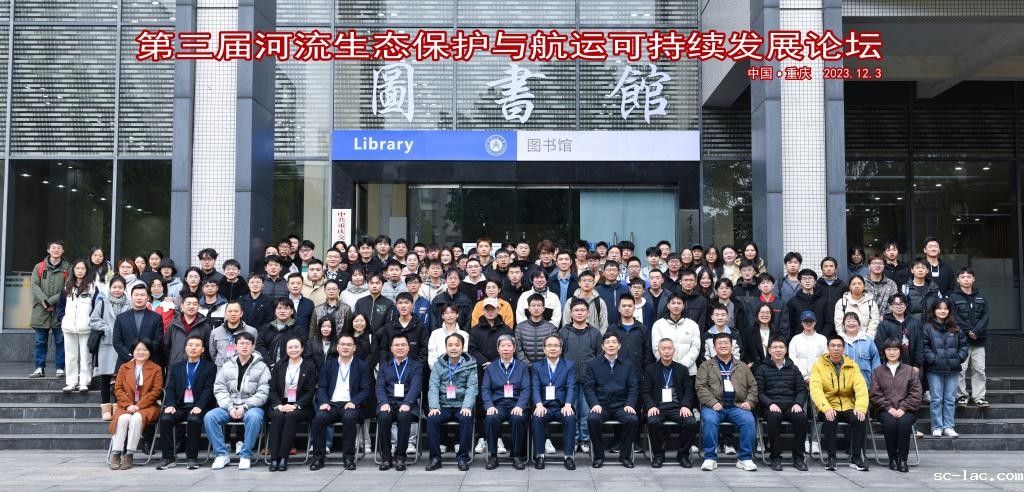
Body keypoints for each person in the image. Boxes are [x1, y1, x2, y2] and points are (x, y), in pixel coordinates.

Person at [204, 331, 270, 470]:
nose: (244, 346)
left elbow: (263, 392)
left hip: (251, 407)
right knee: (210, 417)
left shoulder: (262, 367)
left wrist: (245, 406)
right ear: (235, 346)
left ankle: (246, 455)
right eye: (241, 343)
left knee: (254, 417)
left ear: (253, 346)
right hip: (229, 406)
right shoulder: (227, 365)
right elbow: (219, 388)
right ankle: (221, 454)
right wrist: (229, 407)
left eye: (247, 344)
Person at [695, 333, 759, 472]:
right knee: (709, 420)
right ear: (714, 347)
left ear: (732, 346)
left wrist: (749, 401)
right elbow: (701, 387)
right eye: (720, 343)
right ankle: (710, 457)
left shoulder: (742, 366)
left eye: (726, 343)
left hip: (737, 406)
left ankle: (745, 458)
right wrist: (712, 402)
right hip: (714, 406)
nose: (723, 346)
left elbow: (753, 386)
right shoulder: (706, 366)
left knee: (748, 420)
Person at [309, 334, 373, 471]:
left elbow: (366, 390)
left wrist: (354, 402)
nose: (345, 347)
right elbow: (322, 387)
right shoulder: (329, 364)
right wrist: (324, 402)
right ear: (337, 347)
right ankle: (318, 457)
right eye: (342, 344)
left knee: (349, 418)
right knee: (319, 418)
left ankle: (348, 457)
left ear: (354, 348)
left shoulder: (362, 366)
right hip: (331, 404)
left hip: (351, 404)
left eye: (349, 345)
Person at [809, 334, 870, 471]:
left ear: (843, 349)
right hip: (828, 404)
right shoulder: (818, 365)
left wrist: (860, 407)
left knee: (860, 418)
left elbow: (861, 388)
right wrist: (825, 408)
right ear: (828, 348)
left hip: (848, 405)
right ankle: (831, 457)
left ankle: (855, 457)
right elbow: (816, 390)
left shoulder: (852, 365)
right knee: (830, 418)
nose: (836, 348)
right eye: (833, 346)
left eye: (839, 346)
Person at [156, 335, 216, 470]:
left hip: (199, 406)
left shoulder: (210, 367)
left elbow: (208, 389)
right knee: (165, 418)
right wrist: (170, 404)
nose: (193, 348)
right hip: (180, 406)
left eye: (197, 345)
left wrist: (199, 406)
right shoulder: (176, 367)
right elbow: (170, 388)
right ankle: (168, 458)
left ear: (203, 349)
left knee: (194, 420)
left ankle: (192, 458)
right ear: (186, 348)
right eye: (190, 345)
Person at [585, 332, 640, 468]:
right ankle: (598, 456)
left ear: (619, 346)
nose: (611, 345)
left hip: (622, 406)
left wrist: (630, 404)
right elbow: (589, 388)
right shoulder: (593, 365)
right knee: (592, 419)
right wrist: (594, 404)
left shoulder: (628, 365)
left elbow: (633, 387)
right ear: (602, 346)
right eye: (607, 342)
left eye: (614, 342)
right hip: (601, 406)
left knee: (632, 420)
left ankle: (625, 456)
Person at [754, 337, 809, 471]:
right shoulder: (762, 368)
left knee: (801, 417)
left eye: (781, 347)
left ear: (786, 350)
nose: (778, 350)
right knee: (774, 417)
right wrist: (770, 404)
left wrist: (798, 403)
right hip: (771, 407)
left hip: (791, 405)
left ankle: (798, 457)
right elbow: (759, 392)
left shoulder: (793, 368)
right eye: (774, 347)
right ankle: (775, 457)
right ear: (769, 350)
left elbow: (802, 390)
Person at [425, 333, 478, 471]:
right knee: (432, 419)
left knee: (466, 418)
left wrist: (467, 406)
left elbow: (472, 387)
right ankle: (435, 458)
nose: (453, 348)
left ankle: (463, 458)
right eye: (450, 345)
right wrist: (434, 407)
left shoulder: (470, 365)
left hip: (461, 405)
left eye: (457, 345)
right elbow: (433, 387)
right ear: (446, 347)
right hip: (443, 405)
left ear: (462, 347)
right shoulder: (438, 365)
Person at [109, 338, 164, 470]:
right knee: (123, 418)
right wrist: (128, 405)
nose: (141, 352)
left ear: (150, 352)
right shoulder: (124, 367)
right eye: (138, 349)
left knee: (137, 418)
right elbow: (118, 389)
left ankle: (129, 454)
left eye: (144, 350)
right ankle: (116, 453)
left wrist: (139, 405)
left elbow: (156, 390)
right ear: (132, 351)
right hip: (126, 406)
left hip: (148, 406)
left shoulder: (156, 368)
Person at [869, 338, 923, 473]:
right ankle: (892, 458)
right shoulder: (878, 371)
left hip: (907, 410)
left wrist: (903, 408)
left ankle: (903, 460)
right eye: (888, 349)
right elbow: (875, 394)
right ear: (884, 352)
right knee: (890, 423)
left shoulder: (910, 370)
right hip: (884, 410)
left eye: (895, 349)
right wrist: (889, 408)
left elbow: (916, 393)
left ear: (900, 351)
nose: (892, 352)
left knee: (903, 424)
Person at [643, 338, 698, 469]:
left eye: (669, 348)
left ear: (674, 350)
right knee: (652, 421)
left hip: (677, 407)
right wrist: (651, 406)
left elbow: (688, 391)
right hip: (658, 407)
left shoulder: (682, 369)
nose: (666, 351)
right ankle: (658, 455)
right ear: (658, 350)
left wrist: (685, 405)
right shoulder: (650, 369)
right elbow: (645, 392)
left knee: (691, 422)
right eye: (663, 349)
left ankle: (683, 455)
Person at [266, 338, 318, 472]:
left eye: (296, 347)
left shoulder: (309, 367)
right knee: (277, 416)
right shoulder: (279, 366)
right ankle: (274, 458)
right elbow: (272, 390)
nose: (293, 350)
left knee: (291, 416)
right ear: (286, 349)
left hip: (301, 406)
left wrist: (295, 405)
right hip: (280, 403)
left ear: (302, 349)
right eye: (290, 347)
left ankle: (283, 457)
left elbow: (310, 392)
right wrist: (279, 405)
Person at [558, 297, 601, 454]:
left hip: (588, 380)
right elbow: (559, 356)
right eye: (576, 310)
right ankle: (574, 438)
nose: (579, 313)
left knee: (586, 411)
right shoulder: (563, 332)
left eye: (583, 310)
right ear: (571, 313)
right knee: (572, 410)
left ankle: (585, 438)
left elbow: (599, 356)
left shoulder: (595, 333)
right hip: (569, 381)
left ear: (588, 313)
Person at [481, 335, 530, 470]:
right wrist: (489, 406)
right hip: (498, 404)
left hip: (516, 403)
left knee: (517, 418)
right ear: (498, 349)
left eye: (509, 346)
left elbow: (526, 389)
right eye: (503, 346)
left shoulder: (522, 367)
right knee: (491, 418)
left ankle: (516, 455)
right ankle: (493, 456)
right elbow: (485, 389)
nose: (506, 349)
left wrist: (520, 406)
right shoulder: (491, 368)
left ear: (514, 349)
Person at [375, 334, 424, 471]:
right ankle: (386, 457)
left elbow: (416, 387)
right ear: (391, 348)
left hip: (408, 404)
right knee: (383, 416)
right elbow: (379, 386)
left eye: (403, 345)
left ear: (408, 348)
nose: (400, 347)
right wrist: (383, 402)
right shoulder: (384, 365)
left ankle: (400, 456)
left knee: (404, 416)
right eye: (397, 345)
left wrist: (407, 402)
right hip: (388, 403)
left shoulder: (416, 366)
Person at [530, 334, 578, 470]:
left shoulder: (569, 365)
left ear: (561, 349)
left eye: (556, 345)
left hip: (562, 405)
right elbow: (535, 387)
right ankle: (540, 455)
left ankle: (568, 456)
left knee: (570, 417)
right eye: (549, 345)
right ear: (544, 349)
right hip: (544, 406)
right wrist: (538, 404)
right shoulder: (536, 366)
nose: (553, 348)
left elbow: (571, 386)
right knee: (537, 417)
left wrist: (568, 404)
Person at [922, 299, 968, 438]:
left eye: (945, 308)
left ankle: (948, 426)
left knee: (949, 399)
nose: (942, 311)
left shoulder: (956, 327)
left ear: (949, 311)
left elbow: (964, 346)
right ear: (934, 310)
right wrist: (933, 359)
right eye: (939, 308)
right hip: (934, 369)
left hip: (952, 369)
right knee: (936, 399)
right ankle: (936, 426)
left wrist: (958, 358)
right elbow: (924, 346)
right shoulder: (927, 327)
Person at [92, 276, 132, 420]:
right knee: (105, 376)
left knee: (121, 377)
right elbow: (93, 320)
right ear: (110, 288)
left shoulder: (130, 304)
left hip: (123, 345)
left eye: (120, 287)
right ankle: (105, 408)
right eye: (114, 287)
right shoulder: (102, 303)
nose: (117, 290)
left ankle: (118, 406)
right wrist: (106, 328)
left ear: (124, 289)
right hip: (107, 344)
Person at [30, 240, 70, 378]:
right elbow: (34, 285)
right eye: (53, 247)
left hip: (59, 309)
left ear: (63, 251)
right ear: (48, 250)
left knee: (61, 341)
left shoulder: (68, 268)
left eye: (59, 248)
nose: (56, 250)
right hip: (41, 310)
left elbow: (68, 287)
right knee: (40, 341)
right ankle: (39, 368)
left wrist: (50, 301)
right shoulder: (39, 267)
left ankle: (60, 368)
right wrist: (44, 301)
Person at [949, 267, 990, 408]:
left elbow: (985, 316)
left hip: (979, 339)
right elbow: (954, 317)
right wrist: (969, 331)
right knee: (960, 369)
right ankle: (961, 396)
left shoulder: (981, 297)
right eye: (963, 277)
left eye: (969, 277)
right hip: (961, 340)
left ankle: (979, 397)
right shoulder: (953, 297)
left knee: (979, 370)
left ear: (973, 279)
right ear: (958, 279)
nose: (966, 279)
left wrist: (976, 331)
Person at [57, 259, 97, 393]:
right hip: (69, 327)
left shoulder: (92, 287)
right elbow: (60, 305)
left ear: (87, 270)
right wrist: (63, 318)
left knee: (86, 356)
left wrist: (90, 320)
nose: (80, 271)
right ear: (73, 270)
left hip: (86, 327)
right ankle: (71, 382)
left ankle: (84, 382)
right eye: (77, 268)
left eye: (83, 268)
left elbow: (97, 307)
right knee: (70, 356)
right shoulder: (67, 287)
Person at [650, 294, 702, 378]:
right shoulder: (658, 325)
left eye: (679, 303)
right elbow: (656, 348)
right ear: (668, 305)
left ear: (683, 306)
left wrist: (681, 367)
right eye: (673, 303)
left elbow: (696, 347)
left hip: (688, 371)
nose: (676, 306)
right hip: (665, 370)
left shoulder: (692, 325)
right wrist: (670, 365)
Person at [112, 284, 164, 367]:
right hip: (126, 362)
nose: (139, 298)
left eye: (142, 295)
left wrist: (144, 354)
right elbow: (117, 341)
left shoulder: (156, 317)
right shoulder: (121, 318)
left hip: (150, 362)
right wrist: (130, 356)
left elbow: (157, 340)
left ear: (148, 297)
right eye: (136, 295)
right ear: (131, 297)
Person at [163, 294, 213, 368]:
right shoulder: (173, 325)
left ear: (198, 306)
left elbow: (209, 350)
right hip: (175, 367)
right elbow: (166, 347)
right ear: (182, 306)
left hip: (198, 368)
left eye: (195, 304)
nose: (191, 307)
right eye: (188, 304)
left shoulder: (205, 326)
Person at [516, 293, 559, 363]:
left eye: (539, 305)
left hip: (545, 366)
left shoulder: (551, 328)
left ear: (543, 308)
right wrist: (528, 365)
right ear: (529, 308)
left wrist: (540, 366)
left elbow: (553, 349)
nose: (536, 308)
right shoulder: (520, 328)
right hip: (524, 367)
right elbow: (518, 350)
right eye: (533, 305)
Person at [840, 312, 881, 385]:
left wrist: (875, 383)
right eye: (848, 321)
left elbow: (876, 362)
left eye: (854, 321)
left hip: (865, 384)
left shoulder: (868, 341)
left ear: (859, 325)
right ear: (843, 325)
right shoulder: (838, 341)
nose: (851, 323)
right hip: (843, 385)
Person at [902, 259, 943, 323]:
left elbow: (940, 305)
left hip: (932, 324)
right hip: (912, 324)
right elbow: (902, 308)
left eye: (923, 268)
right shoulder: (905, 288)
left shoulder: (934, 288)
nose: (920, 270)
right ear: (912, 270)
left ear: (927, 270)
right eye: (917, 268)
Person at [815, 257, 847, 339]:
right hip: (820, 323)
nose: (829, 268)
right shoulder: (816, 285)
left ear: (835, 269)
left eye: (831, 266)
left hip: (839, 322)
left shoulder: (843, 286)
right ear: (822, 269)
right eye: (826, 266)